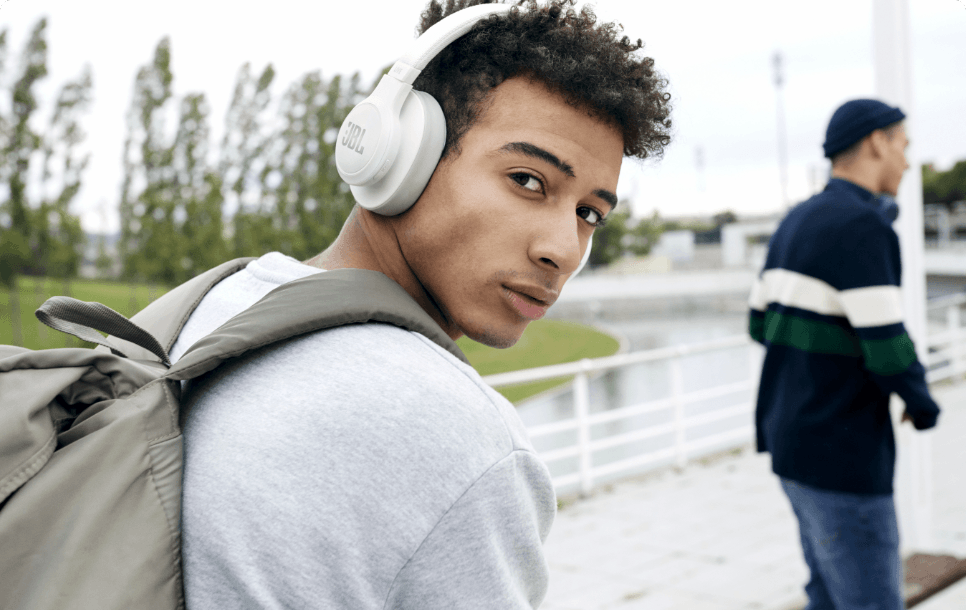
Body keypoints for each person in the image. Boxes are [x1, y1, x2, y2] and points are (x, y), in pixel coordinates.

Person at [171, 1, 672, 608]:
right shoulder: (461, 437)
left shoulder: (213, 304)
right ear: (399, 153)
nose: (563, 250)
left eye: (588, 213)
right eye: (528, 180)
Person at [749, 98, 941, 610]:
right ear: (877, 142)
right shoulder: (863, 226)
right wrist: (922, 403)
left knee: (827, 594)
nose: (905, 160)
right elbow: (887, 345)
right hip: (842, 451)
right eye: (903, 145)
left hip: (789, 442)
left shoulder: (796, 221)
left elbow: (758, 323)